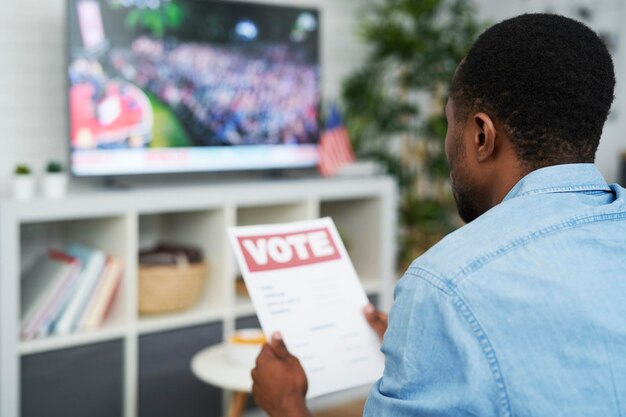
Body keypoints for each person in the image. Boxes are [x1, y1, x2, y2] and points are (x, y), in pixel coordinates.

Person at [251, 13, 626, 417]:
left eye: (449, 124)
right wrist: (424, 343)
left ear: (482, 135)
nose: (447, 146)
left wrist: (287, 405)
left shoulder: (445, 284)